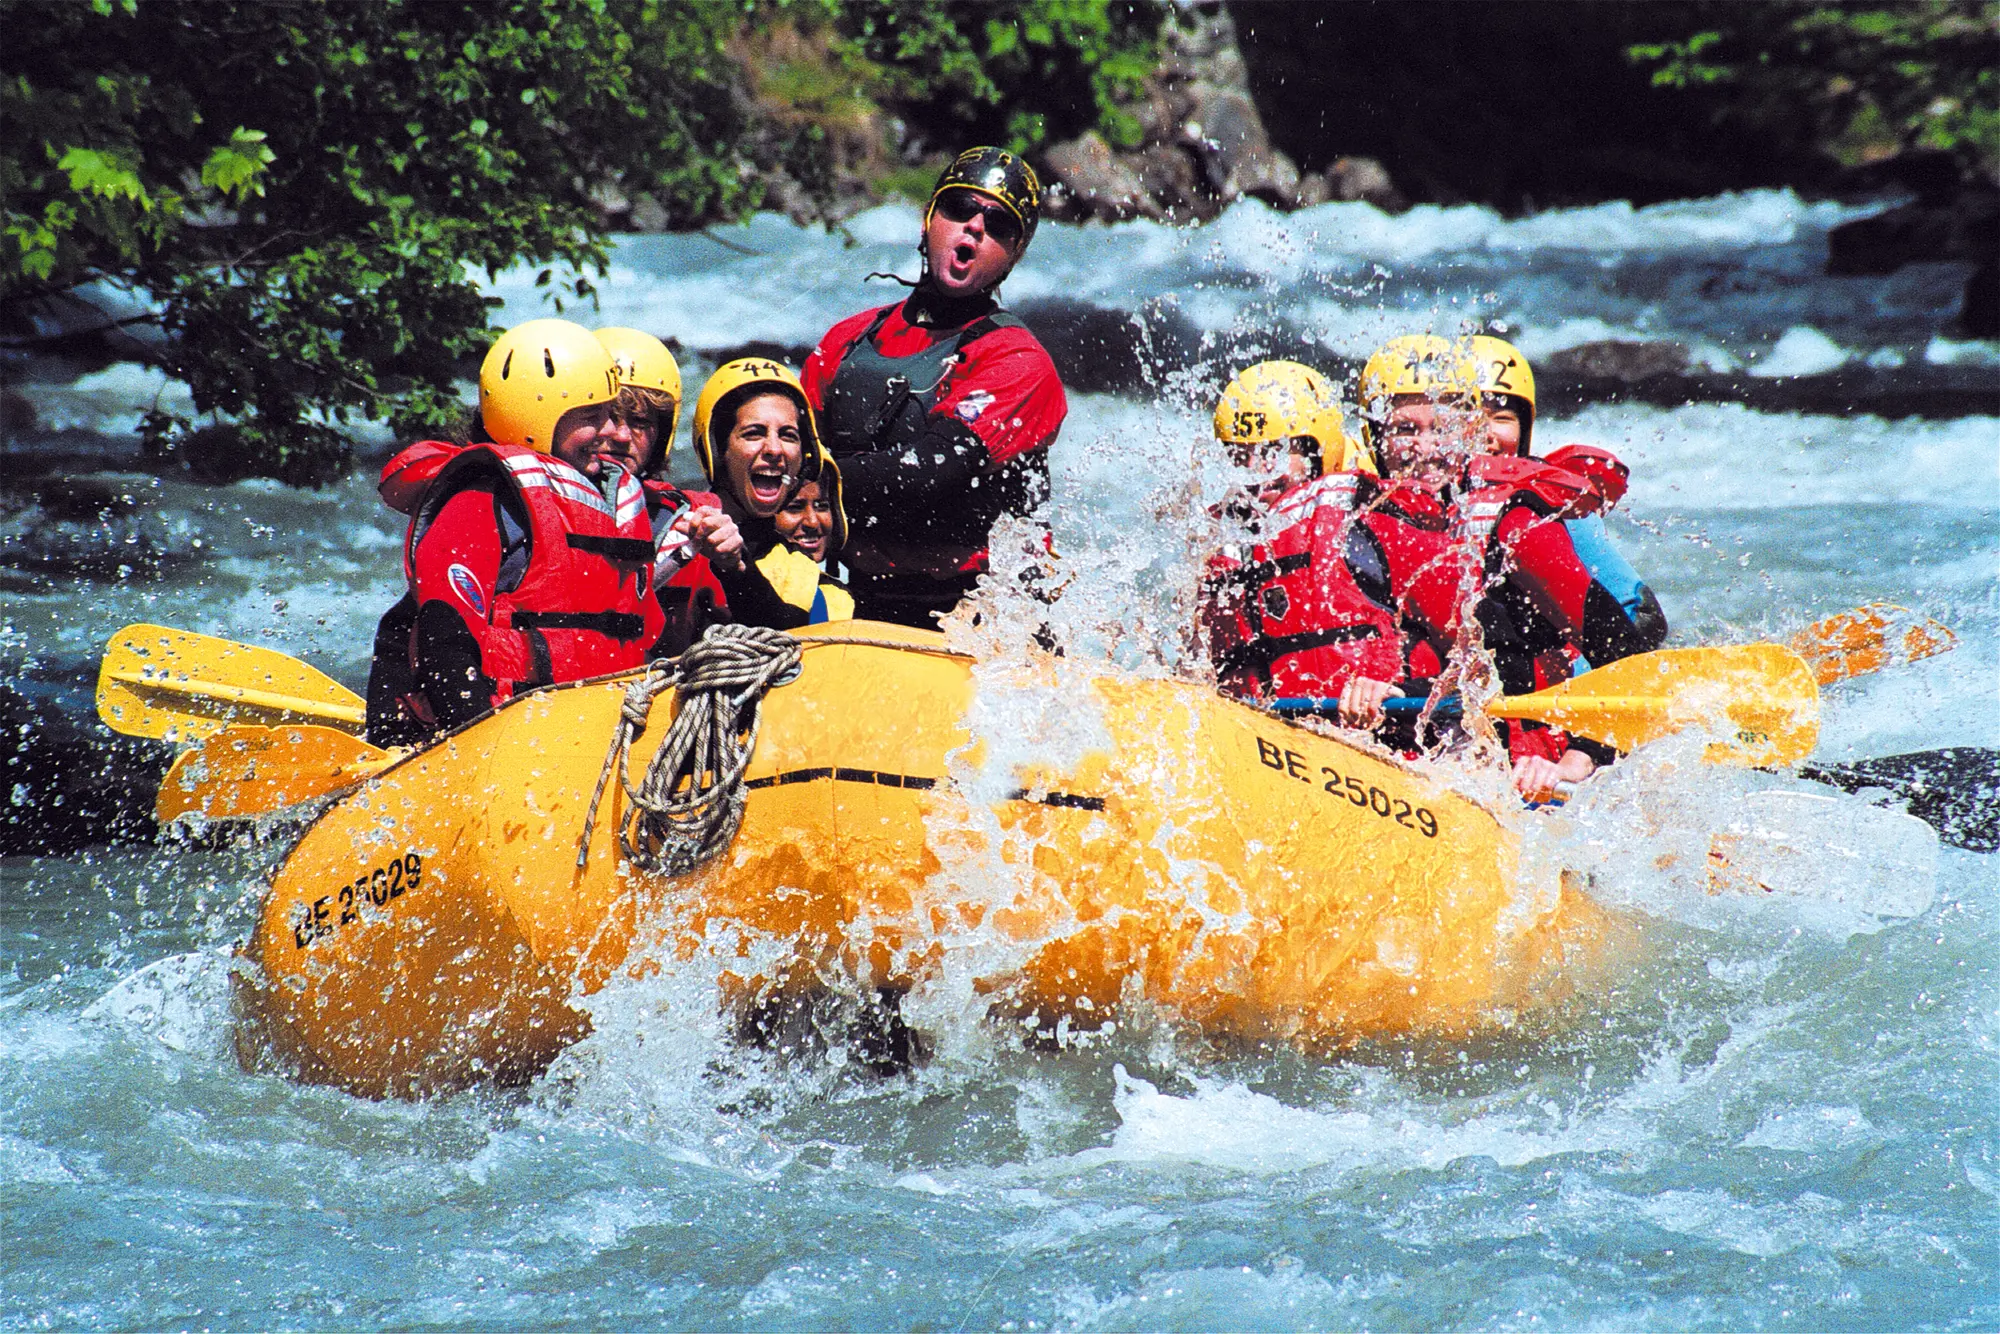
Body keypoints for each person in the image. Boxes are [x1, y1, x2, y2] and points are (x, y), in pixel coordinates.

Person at [1344, 334, 1657, 802]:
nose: (1426, 447)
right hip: (1415, 762)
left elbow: (1629, 659)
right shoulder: (1360, 526)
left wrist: (1578, 760)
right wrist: (1366, 690)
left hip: (1524, 773)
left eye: (1443, 426)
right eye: (1405, 430)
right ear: (1375, 437)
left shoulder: (1514, 523)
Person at [364, 319, 677, 744]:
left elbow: (641, 634)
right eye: (591, 415)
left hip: (586, 730)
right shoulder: (479, 499)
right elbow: (446, 639)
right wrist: (478, 751)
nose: (608, 432)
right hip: (489, 730)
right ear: (536, 416)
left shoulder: (609, 501)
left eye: (608, 413)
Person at [801, 147, 1067, 628]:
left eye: (999, 225)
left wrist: (804, 481)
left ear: (1014, 255)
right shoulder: (844, 342)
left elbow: (931, 470)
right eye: (960, 208)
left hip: (979, 614)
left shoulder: (1019, 362)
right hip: (860, 599)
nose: (976, 228)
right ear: (929, 220)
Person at [1199, 361, 1404, 707]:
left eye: (1272, 452)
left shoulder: (1370, 519)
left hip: (1384, 731)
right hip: (1264, 735)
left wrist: (1389, 687)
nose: (1254, 472)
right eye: (1239, 455)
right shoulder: (1219, 543)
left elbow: (1464, 642)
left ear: (1316, 451)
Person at [1458, 333, 1668, 654]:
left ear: (1524, 430)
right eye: (1467, 417)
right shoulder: (1391, 505)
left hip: (1557, 671)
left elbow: (1641, 615)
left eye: (1501, 418)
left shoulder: (1549, 507)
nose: (1485, 435)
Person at [668, 358, 854, 637]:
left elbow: (783, 641)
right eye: (754, 433)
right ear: (718, 449)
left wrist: (736, 569)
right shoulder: (661, 520)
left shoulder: (807, 578)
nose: (774, 449)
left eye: (788, 435)